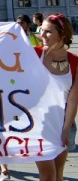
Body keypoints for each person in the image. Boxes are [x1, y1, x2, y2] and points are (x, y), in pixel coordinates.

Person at [36, 13, 76, 181]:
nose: (41, 36)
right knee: (48, 176)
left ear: (62, 34)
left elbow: (73, 100)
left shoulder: (74, 62)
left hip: (63, 124)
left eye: (48, 32)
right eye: (41, 31)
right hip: (39, 124)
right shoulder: (33, 55)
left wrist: (66, 130)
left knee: (58, 175)